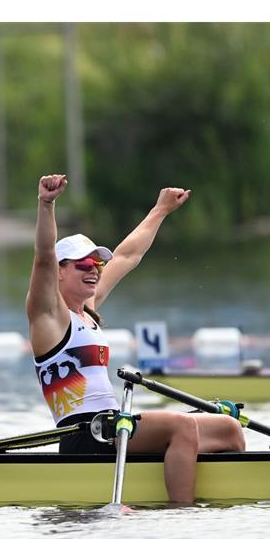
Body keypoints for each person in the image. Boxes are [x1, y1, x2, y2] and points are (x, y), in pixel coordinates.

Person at [26, 174, 245, 504]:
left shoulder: (89, 309)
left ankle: (231, 494)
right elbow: (43, 254)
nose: (95, 271)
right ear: (59, 271)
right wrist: (47, 204)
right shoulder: (47, 316)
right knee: (181, 428)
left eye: (98, 264)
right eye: (85, 264)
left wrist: (160, 210)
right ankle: (183, 513)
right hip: (85, 434)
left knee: (228, 427)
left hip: (113, 426)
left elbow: (127, 255)